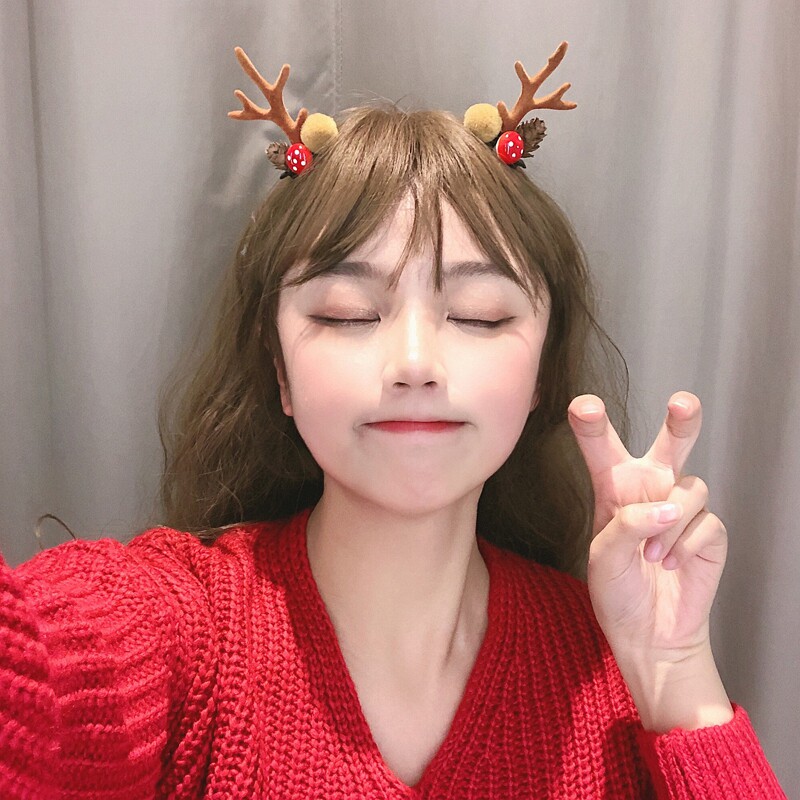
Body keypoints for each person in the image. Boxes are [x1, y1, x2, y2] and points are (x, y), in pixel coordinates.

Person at [0, 45, 787, 798]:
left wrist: (672, 672)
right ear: (280, 371)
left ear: (544, 374)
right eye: (347, 314)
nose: (414, 362)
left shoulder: (610, 666)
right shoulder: (183, 624)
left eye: (478, 316)